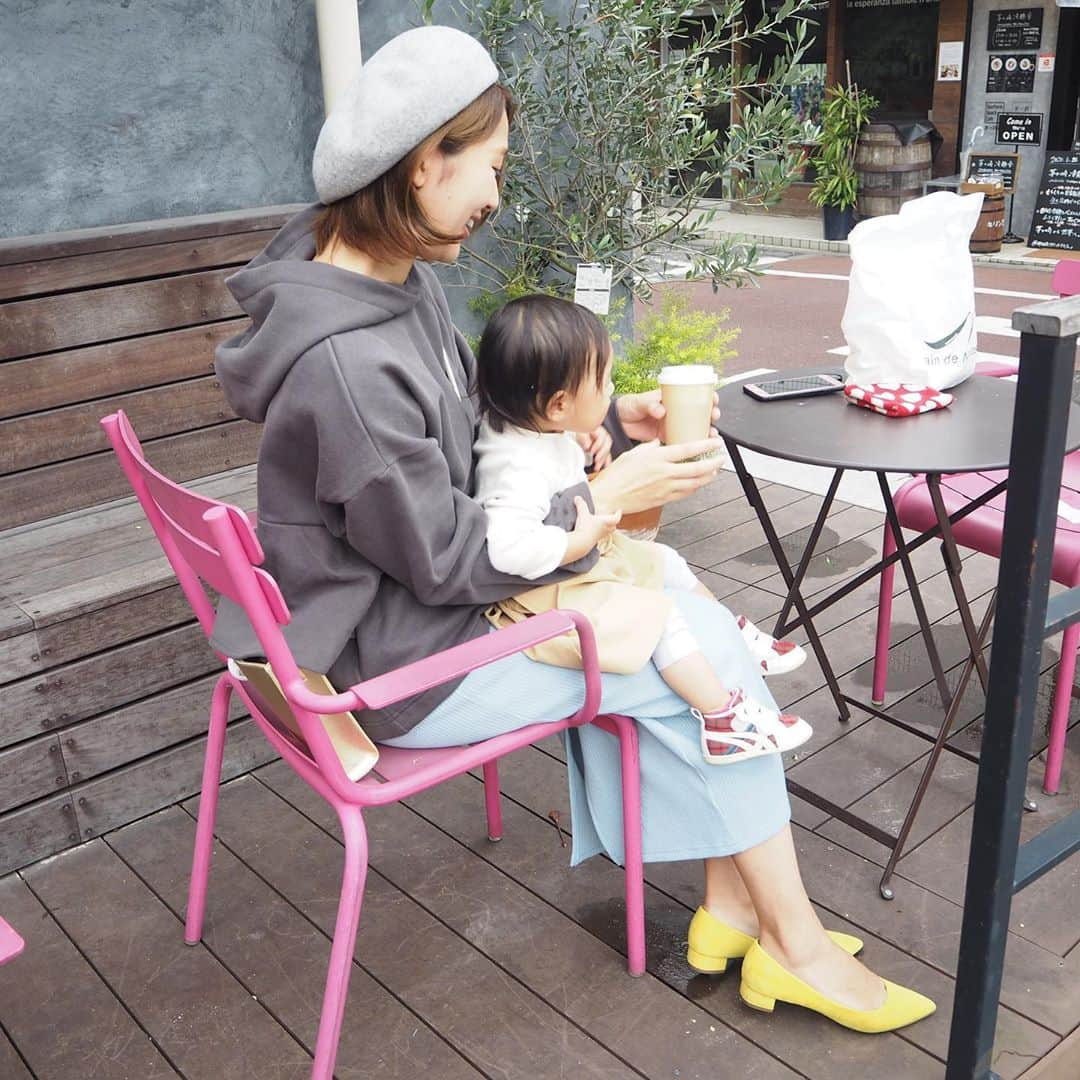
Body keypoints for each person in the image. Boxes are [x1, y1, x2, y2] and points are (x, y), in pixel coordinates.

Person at [211, 24, 935, 1032]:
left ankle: (735, 909)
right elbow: (450, 557)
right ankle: (792, 945)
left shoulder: (378, 283)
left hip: (402, 614)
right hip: (410, 663)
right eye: (491, 167)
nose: (497, 195)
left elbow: (460, 432)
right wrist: (598, 501)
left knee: (683, 627)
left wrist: (585, 425)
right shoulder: (349, 364)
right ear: (426, 163)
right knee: (711, 666)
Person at [474, 293, 811, 765]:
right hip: (542, 589)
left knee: (666, 560)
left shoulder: (526, 428)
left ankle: (733, 639)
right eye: (605, 381)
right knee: (659, 618)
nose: (612, 388)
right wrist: (577, 539)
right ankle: (722, 721)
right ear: (557, 404)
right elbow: (508, 548)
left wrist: (576, 433)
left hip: (574, 563)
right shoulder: (515, 468)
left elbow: (544, 448)